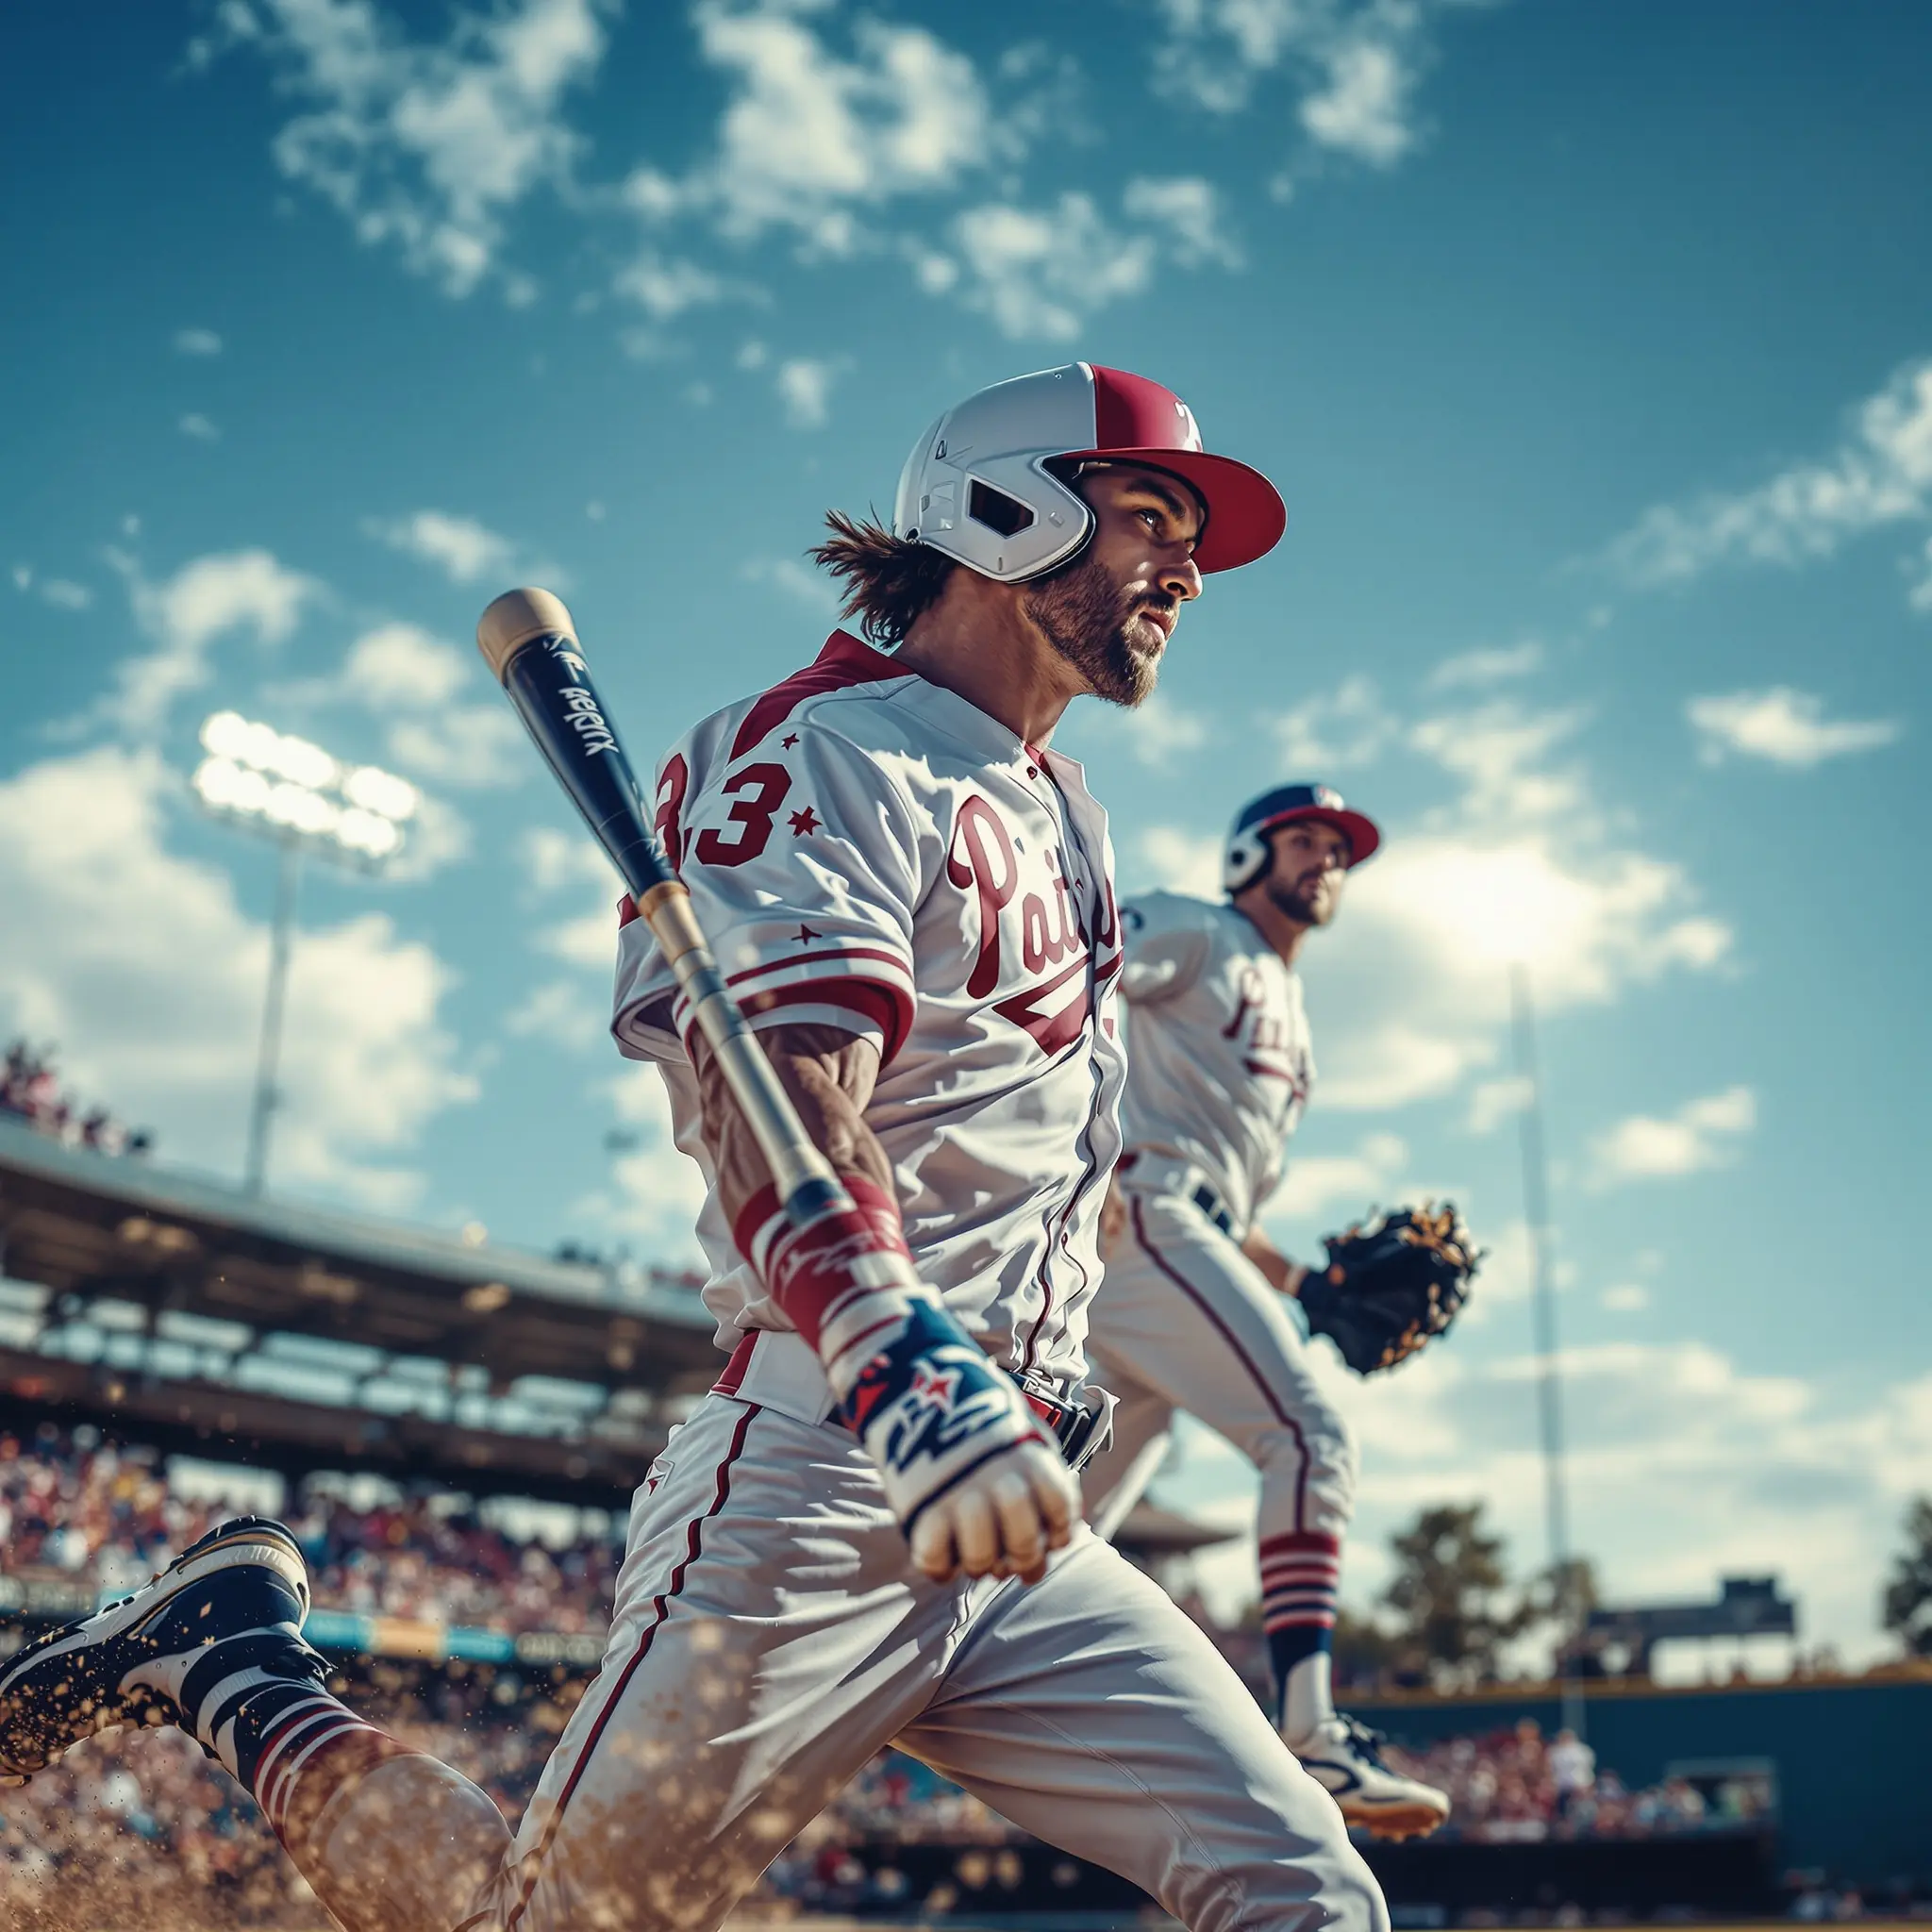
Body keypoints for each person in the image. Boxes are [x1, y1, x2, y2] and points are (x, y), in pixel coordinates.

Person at [1, 365, 1386, 1932]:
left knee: (1304, 1889)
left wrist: (1281, 1274)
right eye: (1149, 514)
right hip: (834, 1465)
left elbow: (1068, 1162)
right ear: (1007, 506)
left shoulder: (1069, 807)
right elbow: (779, 1084)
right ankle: (242, 1669)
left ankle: (233, 1652)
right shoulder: (820, 746)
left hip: (1025, 1505)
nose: (1186, 567)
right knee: (549, 1926)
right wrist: (885, 1341)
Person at [1081, 783, 1452, 1841]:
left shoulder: (1300, 1036)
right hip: (1139, 1218)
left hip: (1178, 1244)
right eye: (1304, 839)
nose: (1324, 860)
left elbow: (1229, 1211)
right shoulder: (1201, 930)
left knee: (1047, 1542)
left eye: (1338, 850)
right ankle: (1310, 1727)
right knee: (1307, 1435)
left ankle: (848, 1666)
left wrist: (1310, 1288)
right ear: (1248, 849)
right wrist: (1077, 1138)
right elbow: (1078, 959)